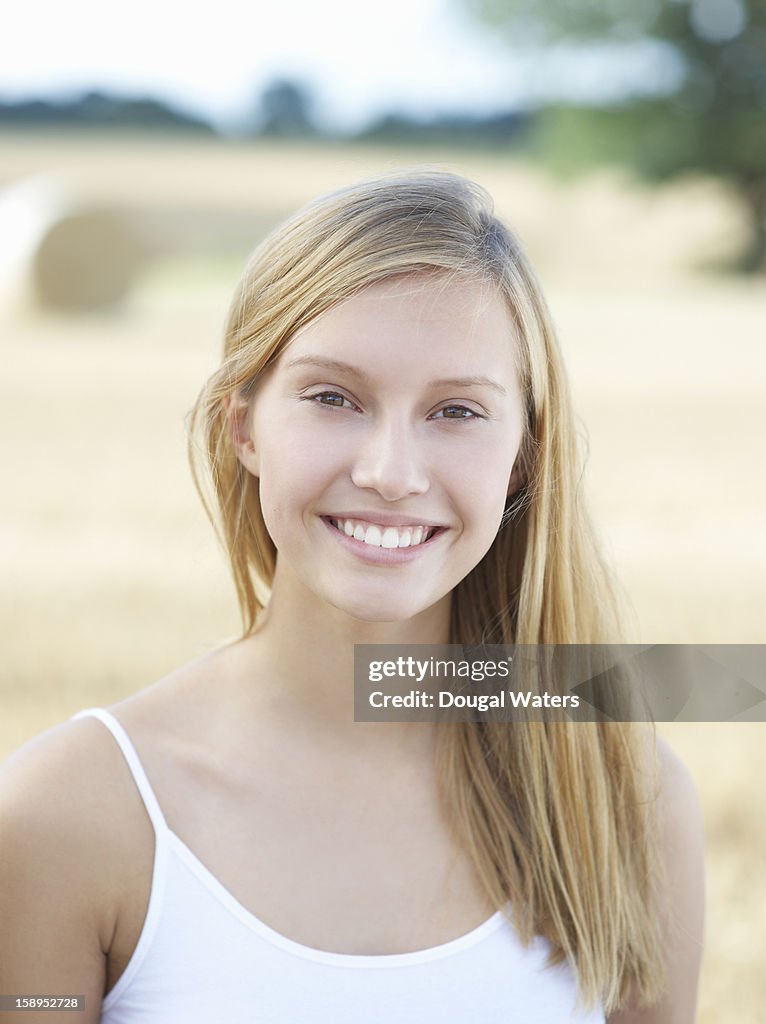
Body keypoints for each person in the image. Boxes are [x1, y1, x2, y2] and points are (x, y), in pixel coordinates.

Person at [0, 170, 704, 1022]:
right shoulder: (69, 817)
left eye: (456, 411)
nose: (391, 474)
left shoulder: (623, 799)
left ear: (522, 454)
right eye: (334, 397)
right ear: (244, 425)